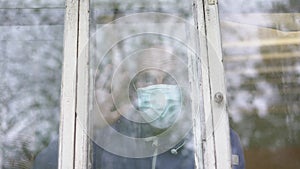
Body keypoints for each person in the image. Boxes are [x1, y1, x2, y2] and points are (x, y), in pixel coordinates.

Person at [32, 47, 245, 169]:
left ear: (185, 86)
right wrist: (89, 127)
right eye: (148, 79)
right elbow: (45, 165)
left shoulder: (214, 140)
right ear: (134, 88)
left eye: (169, 80)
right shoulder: (109, 140)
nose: (159, 90)